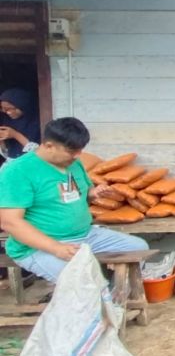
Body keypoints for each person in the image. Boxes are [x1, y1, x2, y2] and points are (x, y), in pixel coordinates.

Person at [0, 117, 148, 282]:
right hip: (40, 246)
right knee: (86, 283)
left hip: (85, 236)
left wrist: (93, 194)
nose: (77, 155)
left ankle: (113, 296)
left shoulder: (74, 164)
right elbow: (10, 222)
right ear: (49, 146)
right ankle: (99, 297)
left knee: (138, 247)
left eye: (80, 150)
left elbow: (78, 195)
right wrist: (56, 248)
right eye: (71, 151)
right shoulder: (18, 171)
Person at [0, 88, 41, 162]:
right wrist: (2, 141)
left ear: (22, 105)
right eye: (4, 110)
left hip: (31, 163)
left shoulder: (37, 122)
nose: (8, 112)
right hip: (12, 163)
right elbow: (7, 154)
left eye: (10, 109)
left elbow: (39, 153)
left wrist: (15, 135)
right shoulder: (7, 121)